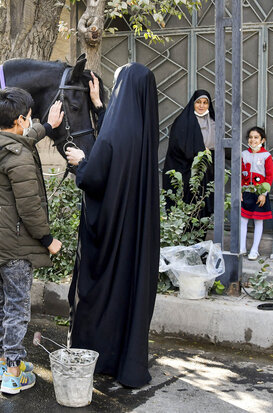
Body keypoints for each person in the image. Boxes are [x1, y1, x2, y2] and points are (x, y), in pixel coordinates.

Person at [0, 87, 63, 395]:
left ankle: (2, 359)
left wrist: (46, 126)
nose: (31, 120)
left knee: (1, 305)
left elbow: (21, 141)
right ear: (19, 119)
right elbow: (30, 208)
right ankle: (13, 372)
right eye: (30, 117)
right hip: (15, 246)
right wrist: (48, 239)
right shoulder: (17, 157)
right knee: (17, 309)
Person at [65, 63, 160, 388]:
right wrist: (100, 106)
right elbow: (117, 152)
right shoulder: (144, 133)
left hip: (111, 237)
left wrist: (81, 163)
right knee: (127, 294)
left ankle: (99, 358)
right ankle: (127, 363)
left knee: (103, 295)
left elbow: (95, 177)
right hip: (135, 237)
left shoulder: (111, 137)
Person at [162, 90, 216, 216]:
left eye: (205, 103)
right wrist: (200, 151)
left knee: (201, 208)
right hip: (184, 170)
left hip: (205, 172)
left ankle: (199, 236)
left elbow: (218, 146)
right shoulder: (182, 121)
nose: (201, 106)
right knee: (185, 206)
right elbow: (177, 146)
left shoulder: (213, 123)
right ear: (193, 103)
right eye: (198, 102)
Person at [240, 126, 273, 260]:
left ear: (262, 140)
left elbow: (269, 177)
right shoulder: (243, 154)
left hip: (259, 194)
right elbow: (240, 175)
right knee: (243, 220)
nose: (253, 140)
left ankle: (254, 250)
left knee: (258, 221)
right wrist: (240, 191)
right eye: (251, 137)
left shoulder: (266, 156)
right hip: (246, 192)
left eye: (256, 137)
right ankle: (242, 247)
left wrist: (263, 194)